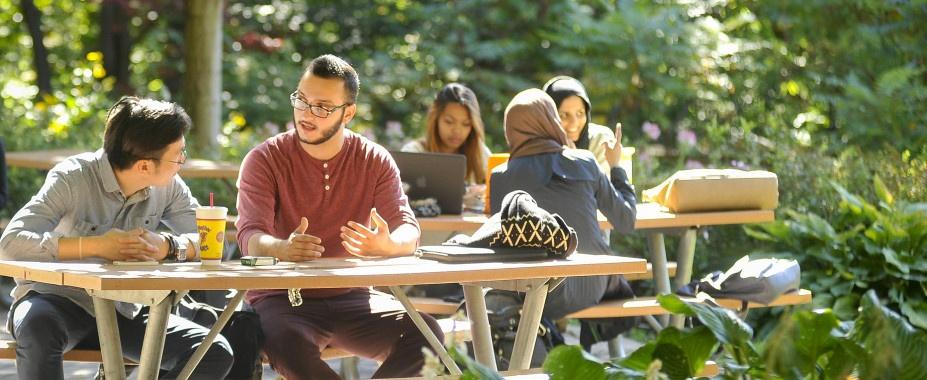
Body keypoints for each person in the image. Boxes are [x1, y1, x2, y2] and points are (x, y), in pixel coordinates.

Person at [236, 54, 443, 379]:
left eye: (322, 106)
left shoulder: (374, 159)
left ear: (348, 113)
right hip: (283, 300)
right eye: (301, 100)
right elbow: (249, 237)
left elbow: (408, 230)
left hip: (354, 296)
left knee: (426, 336)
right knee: (287, 344)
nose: (306, 114)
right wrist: (282, 249)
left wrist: (389, 245)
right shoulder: (264, 159)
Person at [0, 97, 234, 379]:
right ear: (145, 166)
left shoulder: (168, 187)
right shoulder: (73, 178)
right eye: (179, 155)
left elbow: (209, 241)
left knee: (213, 350)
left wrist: (170, 247)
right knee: (38, 327)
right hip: (56, 301)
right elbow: (10, 244)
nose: (182, 162)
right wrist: (96, 245)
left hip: (125, 309)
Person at [488, 88, 638, 364]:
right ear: (551, 120)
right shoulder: (585, 162)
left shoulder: (500, 177)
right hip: (592, 283)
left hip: (534, 291)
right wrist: (617, 167)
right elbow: (626, 221)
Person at [401, 83, 492, 187]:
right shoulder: (414, 152)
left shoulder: (479, 152)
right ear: (435, 119)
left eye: (466, 124)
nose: (457, 131)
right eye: (449, 122)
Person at [543, 75, 623, 176]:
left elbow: (606, 189)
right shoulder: (537, 146)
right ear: (548, 116)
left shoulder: (600, 140)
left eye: (580, 113)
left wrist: (576, 161)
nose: (574, 123)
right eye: (563, 115)